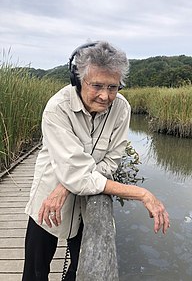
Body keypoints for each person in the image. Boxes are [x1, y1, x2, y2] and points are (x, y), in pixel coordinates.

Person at [22, 41, 170, 281]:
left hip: (82, 201)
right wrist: (142, 193)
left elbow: (111, 161)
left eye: (113, 87)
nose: (105, 96)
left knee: (82, 267)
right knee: (35, 272)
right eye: (97, 86)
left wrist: (69, 185)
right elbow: (77, 176)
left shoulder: (122, 109)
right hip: (48, 197)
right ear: (78, 80)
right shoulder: (56, 109)